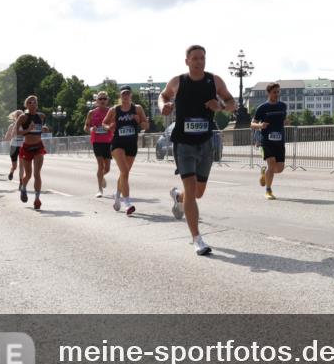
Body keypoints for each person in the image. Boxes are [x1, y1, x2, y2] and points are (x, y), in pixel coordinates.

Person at [160, 44, 236, 256]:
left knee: (197, 192)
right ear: (187, 61)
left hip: (205, 142)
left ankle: (178, 197)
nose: (199, 61)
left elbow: (232, 103)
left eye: (202, 58)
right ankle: (197, 238)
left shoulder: (214, 81)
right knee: (192, 191)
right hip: (183, 143)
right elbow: (163, 96)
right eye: (195, 58)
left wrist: (220, 106)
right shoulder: (178, 81)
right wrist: (163, 106)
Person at [104, 86, 149, 216]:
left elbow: (146, 125)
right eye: (123, 94)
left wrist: (139, 121)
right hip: (118, 144)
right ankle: (127, 203)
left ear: (131, 96)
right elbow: (104, 123)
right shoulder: (115, 110)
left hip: (131, 144)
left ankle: (117, 194)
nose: (125, 96)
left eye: (128, 94)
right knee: (124, 171)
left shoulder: (137, 108)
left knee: (125, 173)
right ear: (120, 96)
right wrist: (109, 127)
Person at [251, 82, 287, 200]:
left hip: (280, 141)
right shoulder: (262, 108)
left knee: (280, 168)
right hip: (266, 140)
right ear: (268, 93)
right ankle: (268, 190)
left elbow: (283, 121)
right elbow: (252, 124)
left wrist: (286, 123)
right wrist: (260, 125)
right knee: (271, 164)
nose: (276, 94)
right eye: (274, 92)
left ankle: (264, 173)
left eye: (278, 92)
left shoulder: (283, 106)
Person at [16, 95, 48, 209]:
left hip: (38, 147)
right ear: (26, 105)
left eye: (34, 102)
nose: (32, 104)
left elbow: (43, 127)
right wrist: (28, 130)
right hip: (27, 148)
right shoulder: (23, 117)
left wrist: (44, 128)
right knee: (28, 174)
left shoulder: (41, 116)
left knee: (37, 174)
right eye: (29, 102)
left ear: (37, 104)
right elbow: (17, 133)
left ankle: (37, 199)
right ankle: (23, 187)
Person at [84, 91, 114, 198]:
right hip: (97, 141)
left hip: (108, 141)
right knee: (100, 165)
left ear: (107, 100)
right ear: (96, 101)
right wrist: (92, 129)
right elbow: (86, 127)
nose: (102, 101)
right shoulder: (91, 113)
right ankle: (99, 190)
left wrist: (111, 127)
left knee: (107, 169)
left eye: (104, 99)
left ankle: (101, 177)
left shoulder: (111, 112)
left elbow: (115, 125)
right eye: (100, 99)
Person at [4, 110, 23, 181]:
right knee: (14, 166)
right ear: (14, 117)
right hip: (13, 146)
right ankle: (12, 171)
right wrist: (11, 134)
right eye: (17, 115)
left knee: (22, 165)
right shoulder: (11, 126)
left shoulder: (25, 125)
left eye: (20, 115)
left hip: (22, 146)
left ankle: (21, 182)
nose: (19, 116)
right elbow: (6, 138)